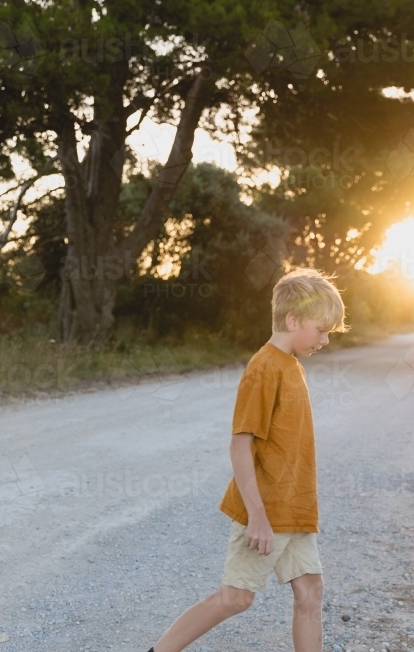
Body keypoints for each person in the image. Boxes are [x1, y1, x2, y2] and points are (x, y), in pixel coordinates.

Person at [147, 268, 347, 652]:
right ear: (293, 320)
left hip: (295, 509)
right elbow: (240, 444)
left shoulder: (291, 366)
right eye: (321, 330)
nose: (325, 339)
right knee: (235, 598)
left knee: (310, 591)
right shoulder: (264, 368)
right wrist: (257, 515)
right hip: (267, 511)